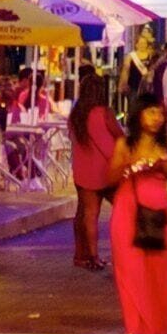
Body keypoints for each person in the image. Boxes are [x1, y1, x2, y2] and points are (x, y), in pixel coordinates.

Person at [111, 97, 167, 334]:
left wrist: (163, 165)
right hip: (128, 211)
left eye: (159, 113)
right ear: (138, 114)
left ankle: (160, 328)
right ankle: (135, 328)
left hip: (158, 214)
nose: (156, 117)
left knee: (161, 273)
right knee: (131, 271)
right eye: (150, 112)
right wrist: (130, 165)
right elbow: (110, 177)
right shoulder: (125, 144)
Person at [65, 67, 121, 273]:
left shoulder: (76, 115)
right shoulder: (104, 113)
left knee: (89, 215)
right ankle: (122, 253)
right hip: (108, 171)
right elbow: (120, 136)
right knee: (125, 208)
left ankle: (91, 257)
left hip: (83, 172)